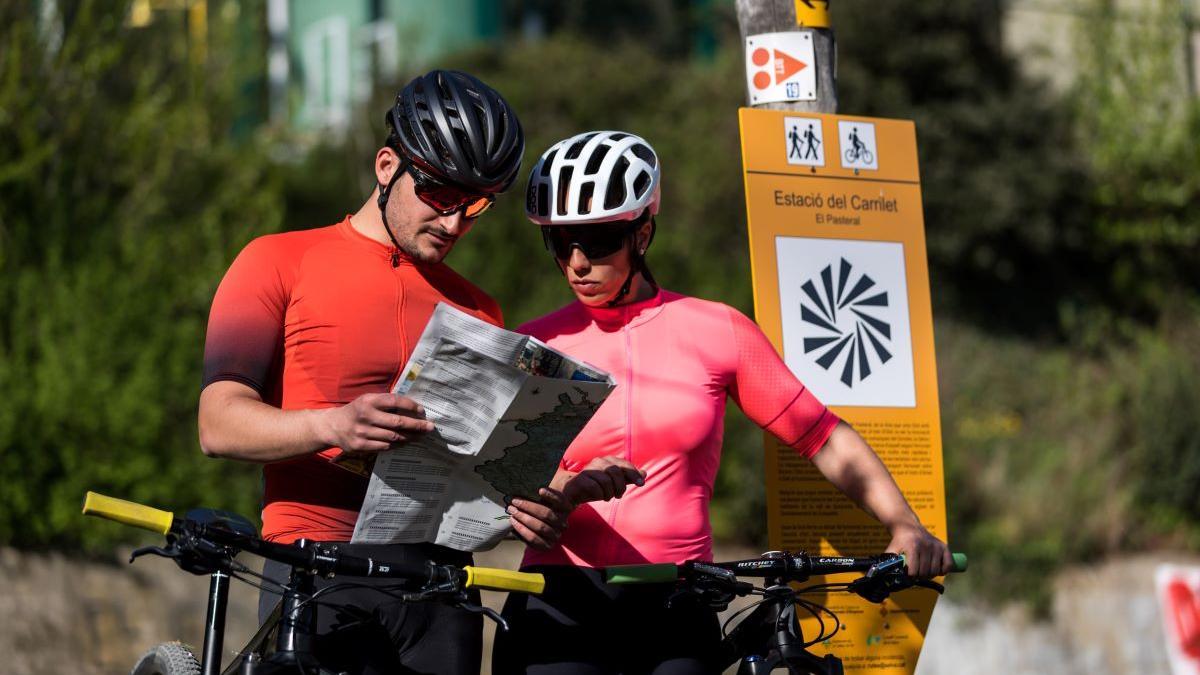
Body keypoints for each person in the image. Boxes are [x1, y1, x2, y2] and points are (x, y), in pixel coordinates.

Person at [493, 131, 953, 674]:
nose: (576, 263)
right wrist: (560, 490)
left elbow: (823, 437)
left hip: (678, 600)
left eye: (596, 243)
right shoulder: (533, 345)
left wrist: (904, 523)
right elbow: (490, 480)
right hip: (558, 596)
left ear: (641, 234)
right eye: (559, 243)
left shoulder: (717, 330)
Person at [198, 69, 572, 675]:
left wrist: (525, 503)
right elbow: (217, 424)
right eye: (442, 197)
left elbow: (477, 468)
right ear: (385, 165)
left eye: (476, 206)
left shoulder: (480, 308)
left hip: (440, 583)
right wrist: (333, 427)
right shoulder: (278, 260)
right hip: (317, 565)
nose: (455, 224)